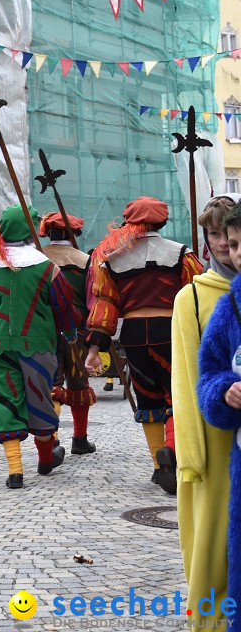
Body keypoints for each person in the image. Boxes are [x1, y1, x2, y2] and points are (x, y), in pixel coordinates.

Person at [84, 197, 203, 493]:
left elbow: (106, 303)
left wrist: (94, 348)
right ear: (163, 221)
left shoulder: (112, 260)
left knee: (148, 398)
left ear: (130, 222)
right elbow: (197, 296)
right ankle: (172, 453)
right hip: (171, 331)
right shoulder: (182, 255)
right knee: (178, 395)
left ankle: (156, 463)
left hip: (135, 335)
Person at [0, 205, 78, 489]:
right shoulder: (47, 269)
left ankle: (15, 470)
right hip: (38, 345)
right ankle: (44, 458)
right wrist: (70, 333)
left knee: (6, 401)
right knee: (40, 401)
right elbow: (64, 308)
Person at [173, 195, 238, 626]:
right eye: (212, 234)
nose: (219, 244)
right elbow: (186, 379)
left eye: (226, 235)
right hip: (214, 442)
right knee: (215, 544)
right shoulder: (191, 298)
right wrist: (191, 457)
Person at [196, 204, 241, 629]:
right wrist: (224, 391)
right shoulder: (229, 309)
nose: (235, 252)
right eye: (233, 244)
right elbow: (206, 375)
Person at [38, 213, 97, 455]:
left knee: (52, 384)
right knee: (78, 383)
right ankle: (79, 438)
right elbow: (94, 297)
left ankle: (51, 439)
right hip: (77, 330)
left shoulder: (35, 260)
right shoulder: (85, 261)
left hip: (43, 330)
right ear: (74, 234)